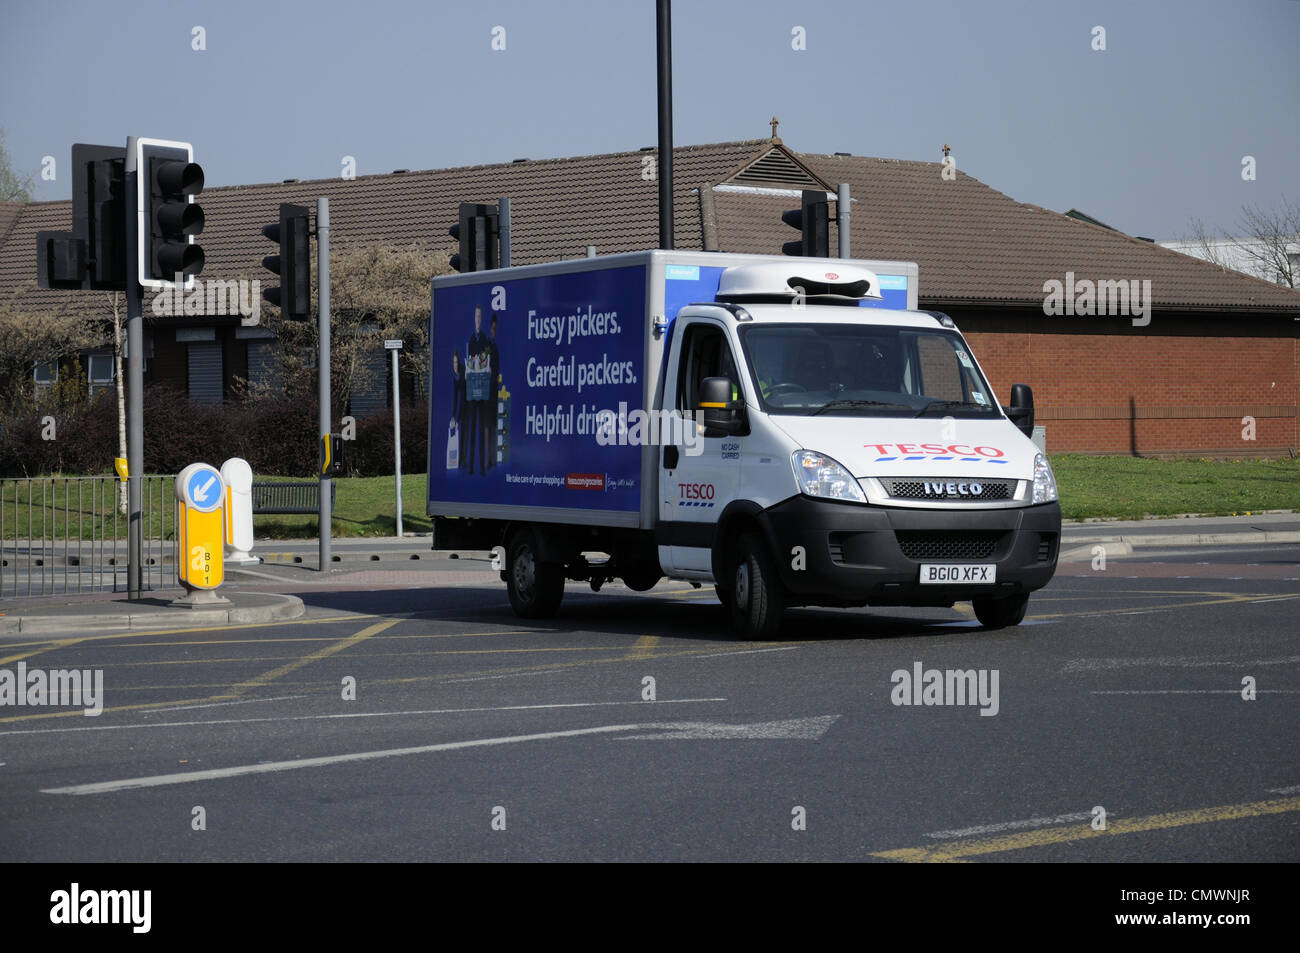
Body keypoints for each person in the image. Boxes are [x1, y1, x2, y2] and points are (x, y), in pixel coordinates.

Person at [467, 305, 491, 475]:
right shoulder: (470, 340)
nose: (477, 319)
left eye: (479, 317)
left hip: (481, 389)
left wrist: (481, 361)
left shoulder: (484, 339)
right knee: (472, 429)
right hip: (471, 390)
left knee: (482, 430)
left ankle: (482, 467)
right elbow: (469, 361)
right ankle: (470, 467)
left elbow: (486, 360)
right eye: (475, 316)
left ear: (481, 319)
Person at [486, 313, 501, 469]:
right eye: (492, 328)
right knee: (488, 424)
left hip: (496, 389)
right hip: (488, 390)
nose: (493, 331)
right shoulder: (489, 346)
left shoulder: (496, 346)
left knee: (495, 424)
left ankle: (494, 458)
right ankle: (488, 458)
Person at [450, 350, 467, 470]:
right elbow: (456, 397)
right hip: (462, 403)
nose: (454, 365)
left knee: (465, 432)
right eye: (453, 362)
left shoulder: (462, 372)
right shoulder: (455, 376)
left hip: (468, 404)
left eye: (456, 362)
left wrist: (458, 419)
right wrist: (453, 416)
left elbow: (463, 397)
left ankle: (463, 460)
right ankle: (459, 460)